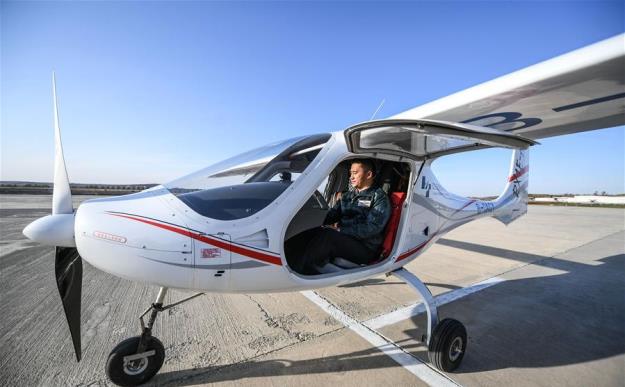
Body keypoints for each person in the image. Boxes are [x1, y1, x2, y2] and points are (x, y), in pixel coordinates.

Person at [288, 159, 391, 275]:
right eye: (351, 173)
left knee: (328, 236)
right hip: (344, 238)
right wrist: (309, 219)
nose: (351, 177)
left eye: (355, 173)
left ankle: (299, 272)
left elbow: (372, 228)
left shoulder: (379, 197)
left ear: (368, 174)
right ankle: (286, 263)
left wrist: (340, 230)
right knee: (311, 231)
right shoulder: (347, 196)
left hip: (365, 247)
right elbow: (332, 215)